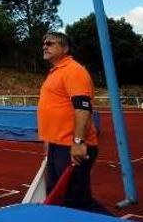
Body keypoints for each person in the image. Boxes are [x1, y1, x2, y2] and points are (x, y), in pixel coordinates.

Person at [37, 32, 112, 215]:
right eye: (43, 44)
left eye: (50, 43)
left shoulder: (73, 70)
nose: (44, 46)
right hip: (58, 146)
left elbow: (82, 108)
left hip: (71, 146)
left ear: (65, 48)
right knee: (57, 198)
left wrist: (78, 142)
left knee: (77, 202)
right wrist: (49, 141)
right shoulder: (56, 72)